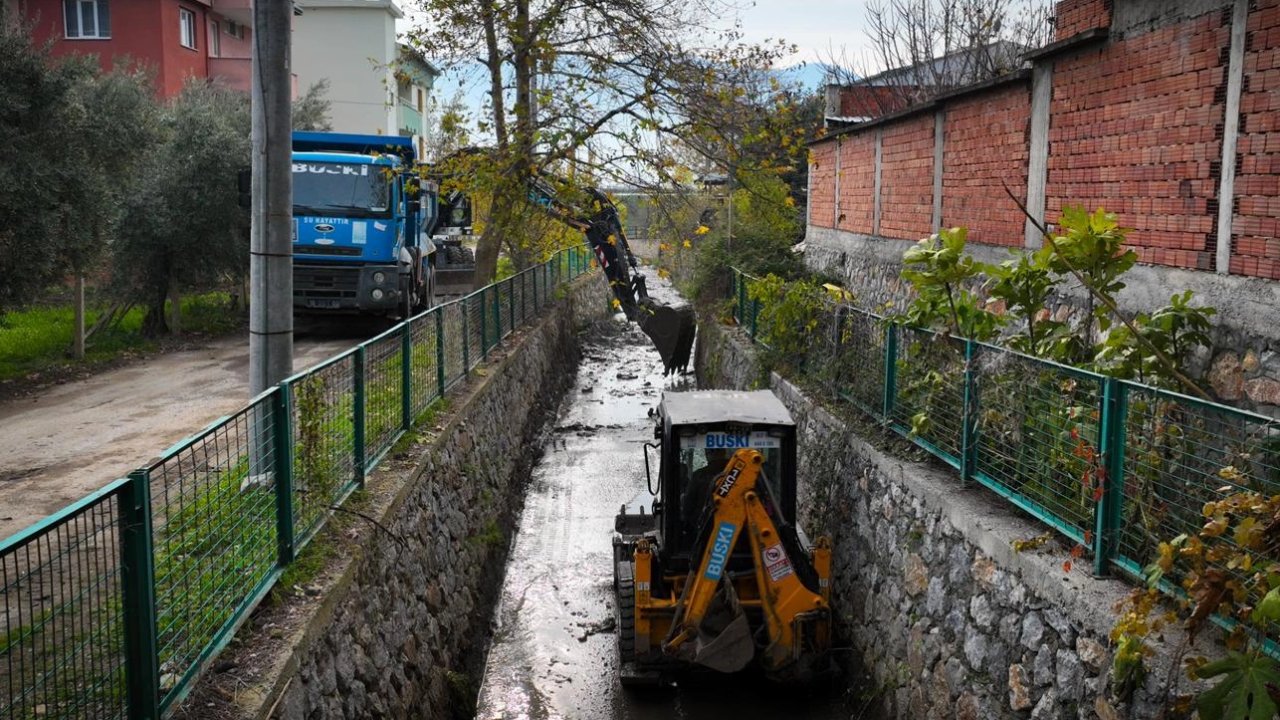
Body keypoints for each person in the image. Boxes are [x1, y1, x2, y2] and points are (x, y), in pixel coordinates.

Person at [683, 447, 733, 521]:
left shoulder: (699, 476)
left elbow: (688, 506)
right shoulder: (738, 473)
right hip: (734, 525)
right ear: (724, 452)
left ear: (707, 454)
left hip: (704, 526)